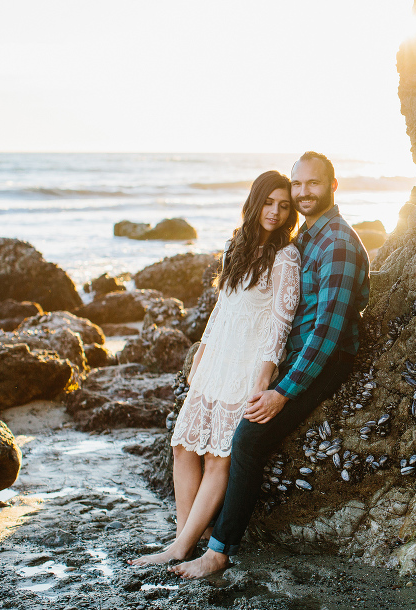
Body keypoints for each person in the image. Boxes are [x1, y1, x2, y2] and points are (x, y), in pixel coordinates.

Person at [170, 150, 370, 579]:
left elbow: (327, 336)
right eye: (297, 185)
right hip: (299, 356)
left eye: (311, 184)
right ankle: (186, 538)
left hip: (324, 362)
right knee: (204, 443)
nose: (301, 194)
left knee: (245, 441)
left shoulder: (336, 243)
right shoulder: (308, 238)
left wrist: (282, 391)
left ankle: (218, 550)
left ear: (333, 186)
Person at [129, 170, 301, 566]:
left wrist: (263, 375)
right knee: (183, 445)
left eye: (283, 205)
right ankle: (182, 539)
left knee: (218, 456)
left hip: (247, 366)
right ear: (255, 202)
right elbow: (222, 306)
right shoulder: (234, 247)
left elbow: (281, 321)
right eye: (269, 202)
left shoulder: (286, 257)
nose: (274, 212)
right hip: (218, 358)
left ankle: (181, 547)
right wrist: (202, 350)